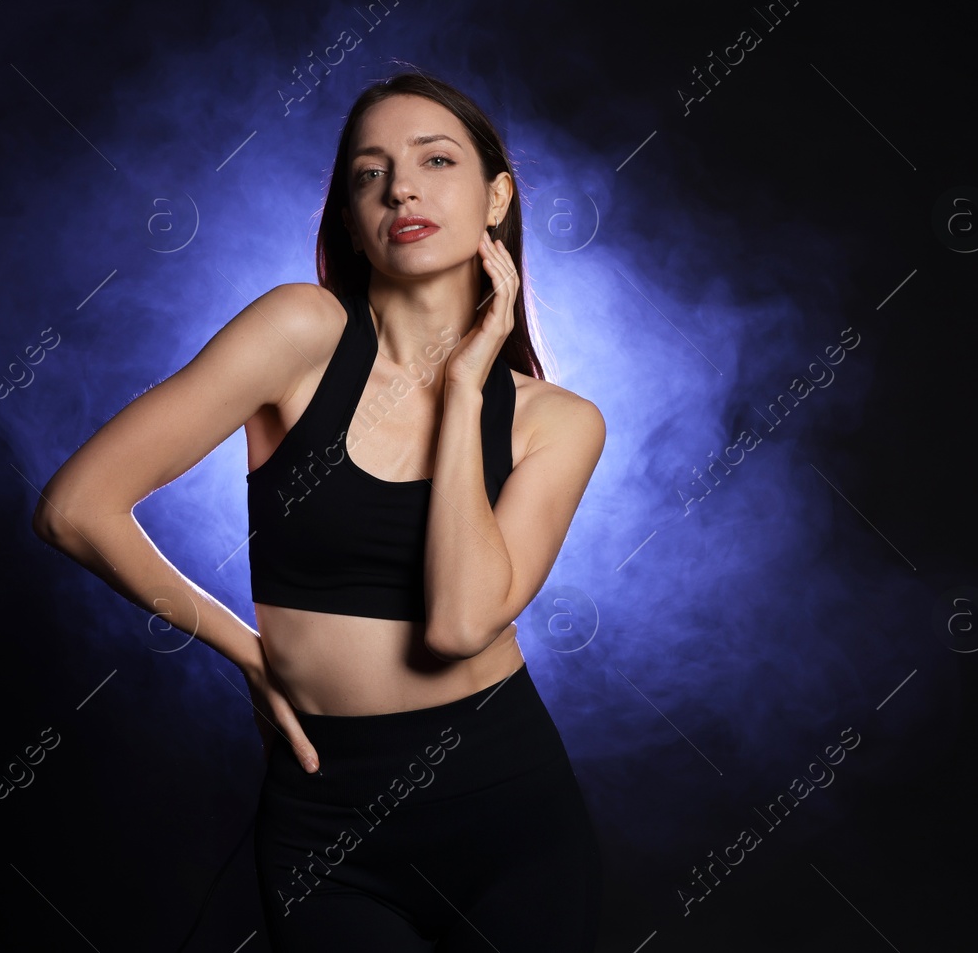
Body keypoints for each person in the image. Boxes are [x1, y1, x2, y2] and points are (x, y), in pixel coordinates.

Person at [33, 71, 605, 949]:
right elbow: (77, 507)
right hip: (325, 817)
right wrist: (248, 656)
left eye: (435, 160)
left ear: (497, 198)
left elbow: (457, 627)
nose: (401, 187)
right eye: (368, 174)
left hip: (508, 808)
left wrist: (461, 388)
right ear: (349, 212)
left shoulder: (558, 423)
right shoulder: (299, 334)